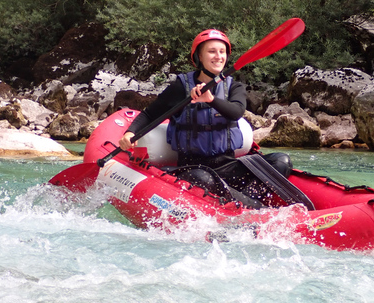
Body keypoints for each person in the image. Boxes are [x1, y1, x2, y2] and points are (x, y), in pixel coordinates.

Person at [119, 29, 292, 207]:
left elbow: (236, 112)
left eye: (222, 52)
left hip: (228, 165)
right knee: (204, 179)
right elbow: (150, 114)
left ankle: (247, 201)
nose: (218, 56)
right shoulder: (181, 87)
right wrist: (129, 133)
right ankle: (254, 207)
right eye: (211, 51)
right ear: (199, 57)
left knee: (282, 161)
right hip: (193, 168)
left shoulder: (235, 87)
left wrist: (211, 100)